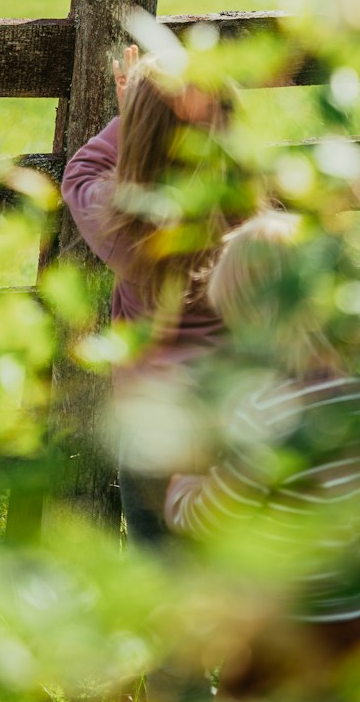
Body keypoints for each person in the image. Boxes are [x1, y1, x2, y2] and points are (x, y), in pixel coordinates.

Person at [163, 211, 360, 702]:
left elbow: (214, 514)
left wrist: (184, 489)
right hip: (355, 615)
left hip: (285, 625)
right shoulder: (353, 394)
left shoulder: (267, 409)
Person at [60, 44, 240, 544]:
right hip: (237, 424)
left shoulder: (127, 227)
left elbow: (80, 174)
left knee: (161, 566)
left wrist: (128, 125)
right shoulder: (249, 230)